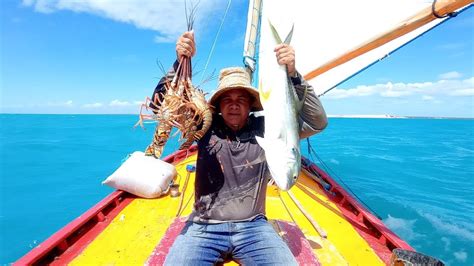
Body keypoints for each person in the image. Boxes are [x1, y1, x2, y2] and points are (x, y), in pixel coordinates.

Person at [150, 31, 327, 265]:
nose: (234, 105)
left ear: (250, 105)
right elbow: (163, 108)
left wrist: (294, 76)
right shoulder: (204, 125)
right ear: (218, 105)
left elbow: (317, 122)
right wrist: (179, 63)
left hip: (254, 227)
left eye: (241, 100)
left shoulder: (269, 129)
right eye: (227, 99)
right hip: (203, 227)